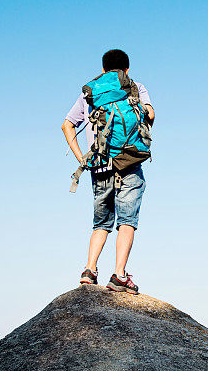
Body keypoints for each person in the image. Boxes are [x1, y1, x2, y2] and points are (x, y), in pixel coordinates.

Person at [61, 49, 155, 294]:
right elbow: (151, 115)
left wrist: (83, 157)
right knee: (127, 221)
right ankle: (120, 276)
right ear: (127, 69)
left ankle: (89, 270)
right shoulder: (134, 86)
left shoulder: (90, 92)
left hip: (100, 164)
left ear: (103, 69)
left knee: (101, 223)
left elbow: (67, 125)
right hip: (129, 161)